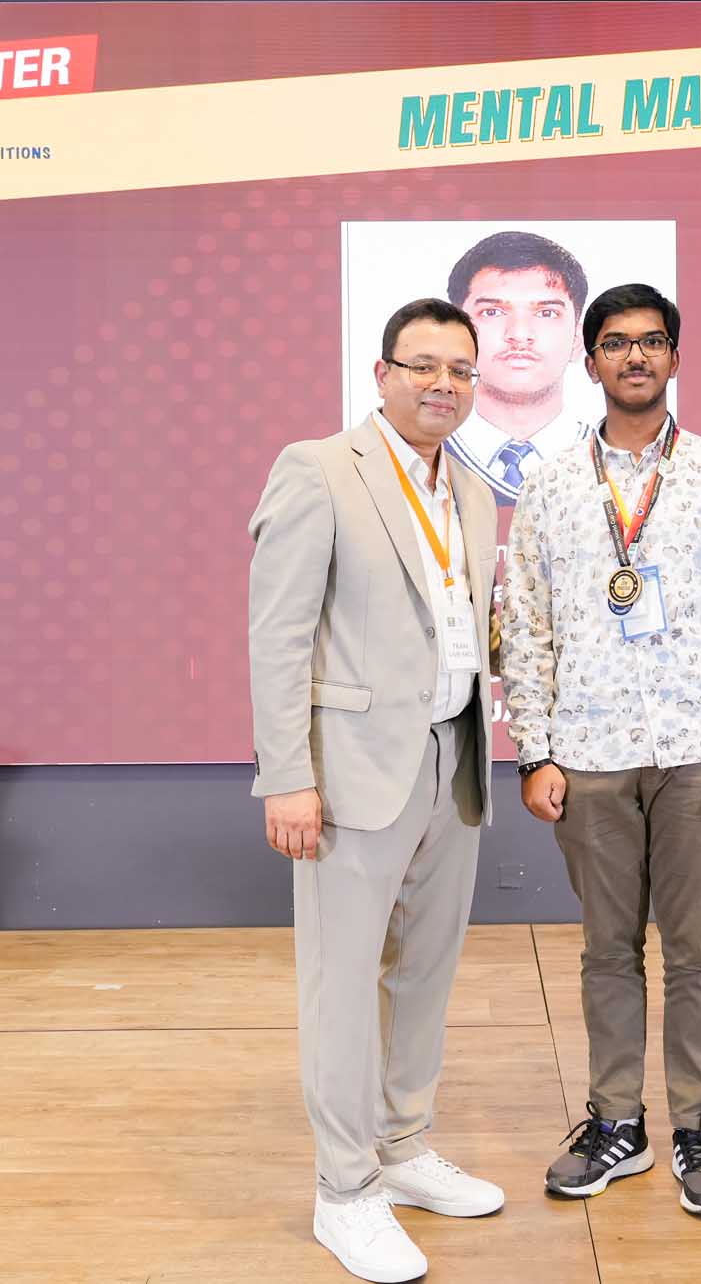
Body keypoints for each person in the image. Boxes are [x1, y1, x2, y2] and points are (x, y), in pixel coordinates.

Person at [499, 283, 701, 1217]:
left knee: (696, 952)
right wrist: (534, 749)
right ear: (590, 363)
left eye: (652, 341)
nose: (635, 356)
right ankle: (617, 1122)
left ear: (674, 357)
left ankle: (699, 1127)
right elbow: (526, 621)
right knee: (606, 950)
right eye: (617, 342)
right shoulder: (549, 484)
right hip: (587, 751)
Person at [248, 298, 505, 1282]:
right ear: (381, 372)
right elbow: (277, 637)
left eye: (460, 370)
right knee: (342, 982)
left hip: (452, 760)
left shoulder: (470, 488)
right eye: (423, 365)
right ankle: (344, 1189)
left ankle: (402, 1148)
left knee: (424, 973)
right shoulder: (318, 469)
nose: (443, 384)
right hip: (350, 770)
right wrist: (287, 777)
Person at [442, 230, 593, 505]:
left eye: (547, 313)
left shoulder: (624, 468)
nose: (519, 334)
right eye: (492, 312)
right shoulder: (412, 463)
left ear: (577, 339)